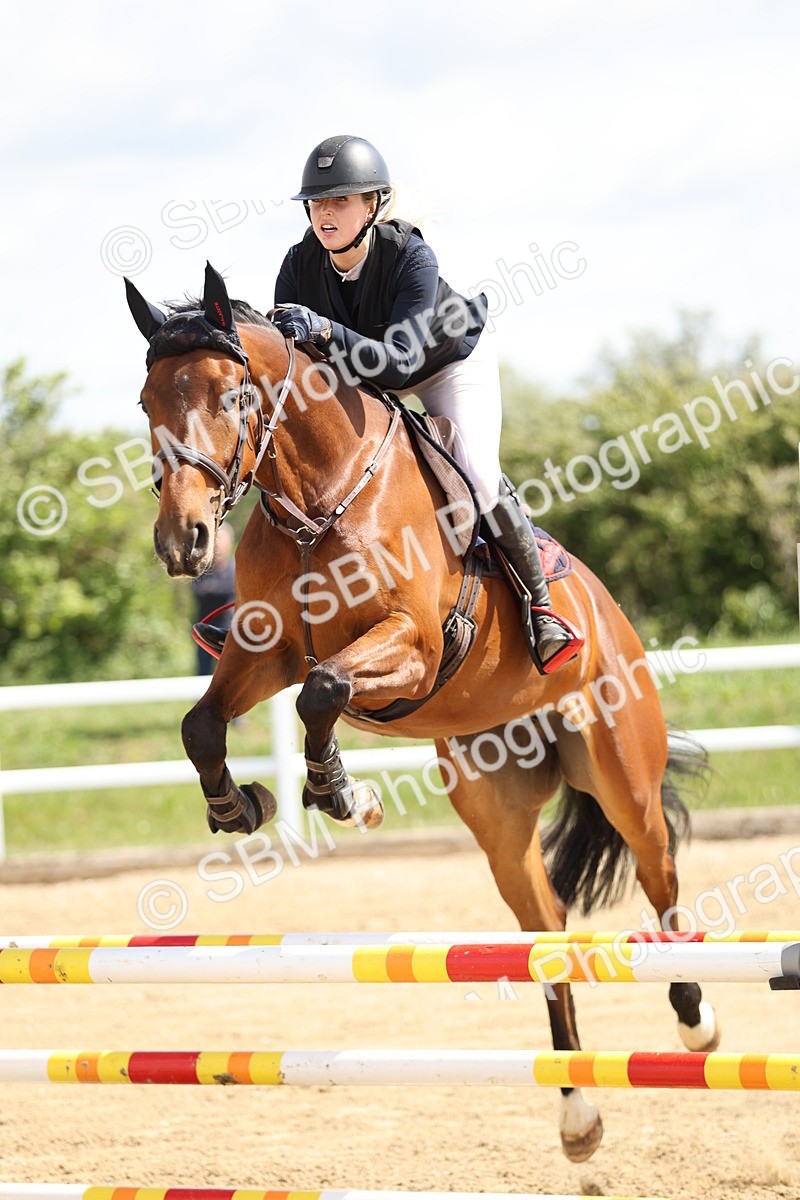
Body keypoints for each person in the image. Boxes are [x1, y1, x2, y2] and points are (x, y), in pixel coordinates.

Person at [270, 134, 582, 674]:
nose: (325, 213)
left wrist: (321, 328)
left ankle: (540, 607)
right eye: (318, 203)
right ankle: (257, 606)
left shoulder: (412, 256)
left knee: (478, 474)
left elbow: (398, 362)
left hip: (445, 365)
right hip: (367, 377)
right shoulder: (298, 266)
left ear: (372, 206)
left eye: (340, 201)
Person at [191, 524, 236, 674]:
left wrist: (211, 590)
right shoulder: (202, 570)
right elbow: (198, 593)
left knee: (229, 672)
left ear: (229, 543)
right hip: (204, 630)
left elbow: (229, 590)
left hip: (229, 632)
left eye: (220, 541)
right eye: (214, 541)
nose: (217, 546)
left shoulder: (235, 569)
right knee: (202, 672)